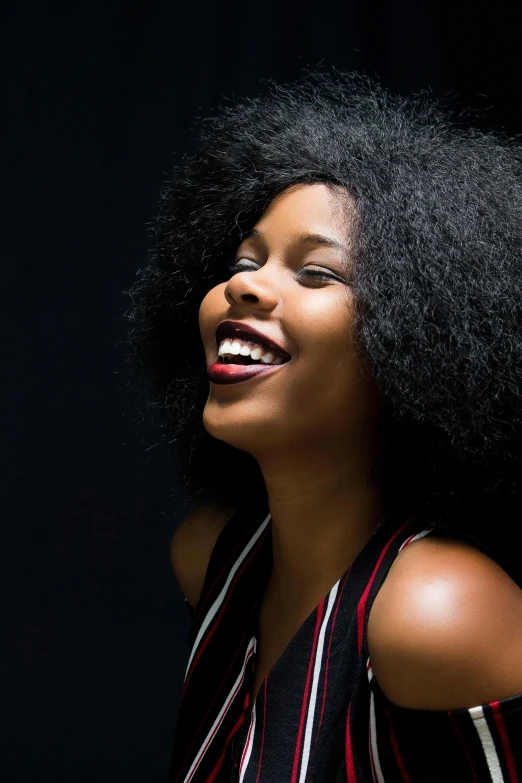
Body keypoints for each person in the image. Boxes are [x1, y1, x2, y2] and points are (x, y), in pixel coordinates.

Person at [123, 71, 522, 781]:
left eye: (317, 273)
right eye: (243, 261)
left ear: (417, 342)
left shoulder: (439, 612)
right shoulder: (213, 556)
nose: (242, 285)